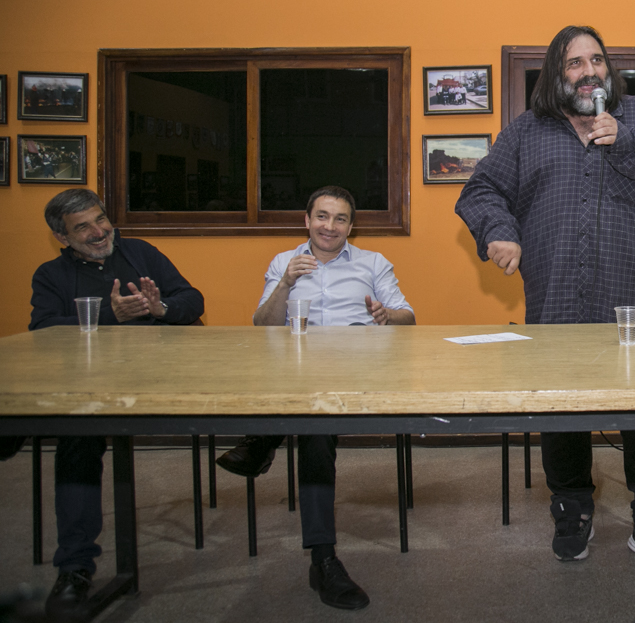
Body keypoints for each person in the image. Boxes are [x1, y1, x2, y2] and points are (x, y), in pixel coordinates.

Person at [455, 25, 635, 572]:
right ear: (556, 74)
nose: (589, 70)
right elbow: (481, 189)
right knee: (561, 415)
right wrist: (499, 230)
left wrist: (629, 143)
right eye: (575, 62)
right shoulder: (527, 132)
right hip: (557, 306)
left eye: (597, 60)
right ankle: (571, 511)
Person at [215, 185, 414, 611]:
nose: (330, 226)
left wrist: (386, 316)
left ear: (351, 226)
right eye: (322, 216)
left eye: (340, 219)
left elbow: (409, 318)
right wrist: (286, 282)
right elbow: (264, 326)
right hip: (298, 373)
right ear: (307, 221)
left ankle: (263, 440)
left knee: (312, 418)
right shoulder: (283, 262)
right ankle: (323, 558)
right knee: (315, 424)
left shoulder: (373, 263)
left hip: (356, 371)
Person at [19, 189, 204, 616]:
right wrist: (110, 315)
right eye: (83, 227)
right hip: (89, 386)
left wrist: (161, 308)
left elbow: (193, 299)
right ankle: (75, 567)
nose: (99, 231)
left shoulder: (140, 253)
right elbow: (42, 330)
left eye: (100, 219)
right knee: (76, 443)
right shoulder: (51, 275)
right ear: (62, 237)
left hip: (156, 379)